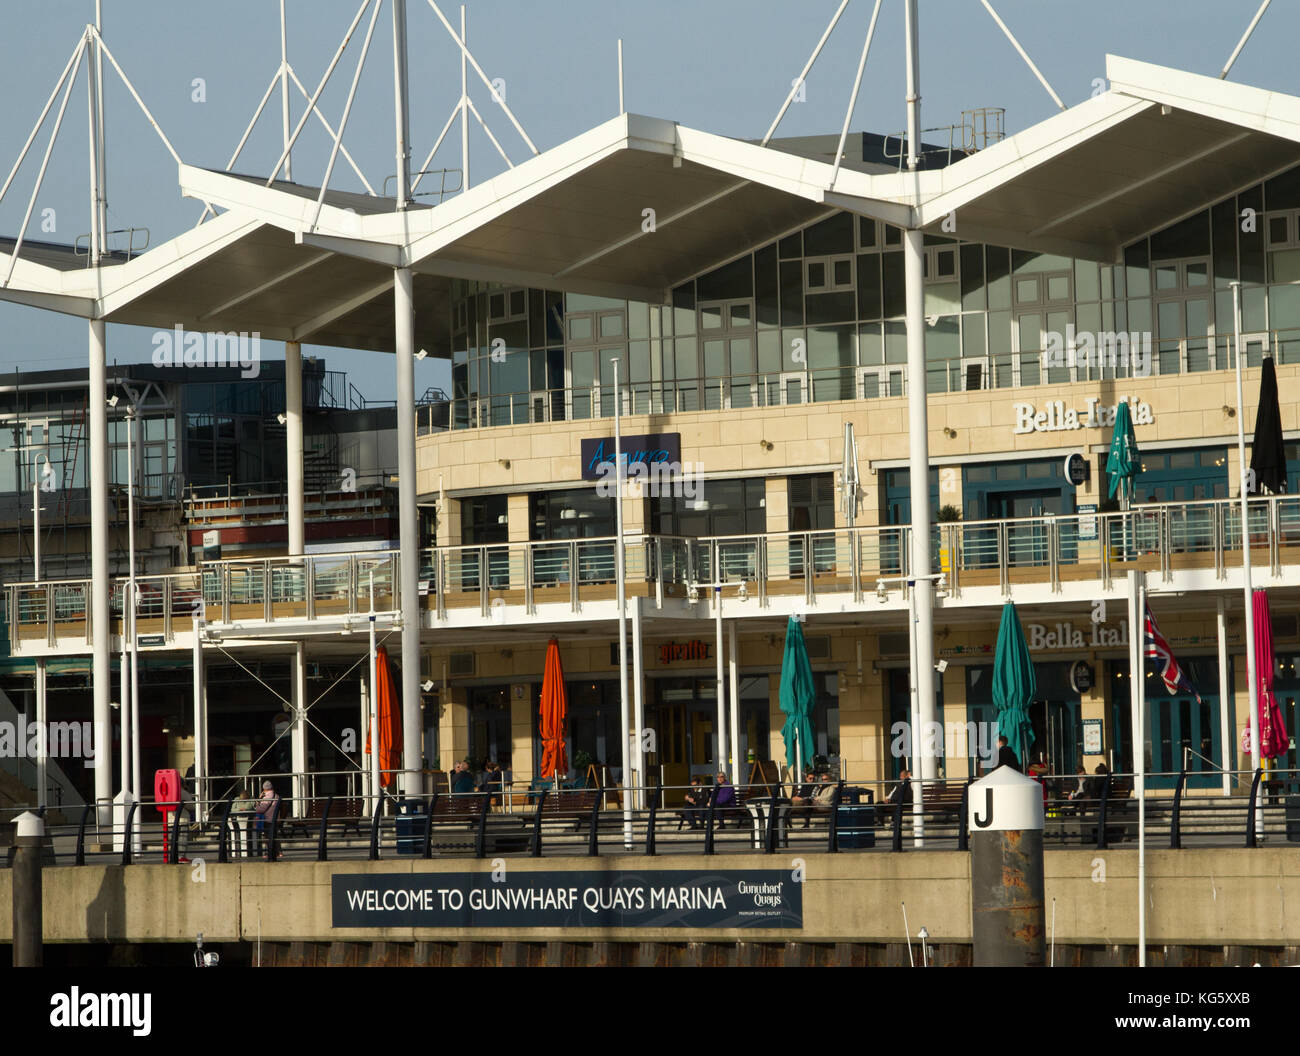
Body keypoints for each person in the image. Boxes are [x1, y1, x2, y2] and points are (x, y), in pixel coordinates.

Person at [253, 780, 282, 860]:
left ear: (264, 788)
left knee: (267, 836)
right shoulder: (276, 795)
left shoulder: (267, 797)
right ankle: (278, 852)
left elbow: (260, 809)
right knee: (274, 835)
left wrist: (258, 800)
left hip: (268, 819)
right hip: (275, 819)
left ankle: (270, 852)